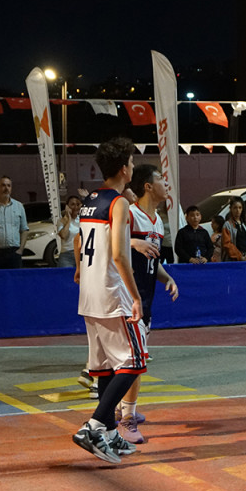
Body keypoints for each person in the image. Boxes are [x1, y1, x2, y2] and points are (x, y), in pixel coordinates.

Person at [71, 137, 147, 464]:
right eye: (130, 162)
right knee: (134, 362)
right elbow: (118, 254)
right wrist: (136, 296)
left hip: (89, 294)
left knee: (104, 369)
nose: (132, 166)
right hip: (111, 292)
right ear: (123, 169)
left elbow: (79, 241)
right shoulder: (119, 203)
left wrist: (78, 269)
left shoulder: (90, 200)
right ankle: (94, 426)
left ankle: (110, 432)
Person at [112, 163, 180, 446]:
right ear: (148, 186)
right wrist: (132, 243)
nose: (167, 183)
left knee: (131, 360)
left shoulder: (157, 222)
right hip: (128, 299)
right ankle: (126, 419)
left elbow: (153, 259)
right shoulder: (130, 213)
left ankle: (122, 408)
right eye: (161, 179)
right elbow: (109, 243)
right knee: (135, 362)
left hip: (146, 298)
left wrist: (167, 278)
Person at [54, 195, 83, 268]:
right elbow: (64, 235)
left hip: (81, 254)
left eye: (77, 204)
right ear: (67, 206)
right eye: (72, 204)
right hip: (67, 255)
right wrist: (69, 219)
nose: (75, 207)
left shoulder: (82, 220)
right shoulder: (61, 221)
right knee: (66, 274)